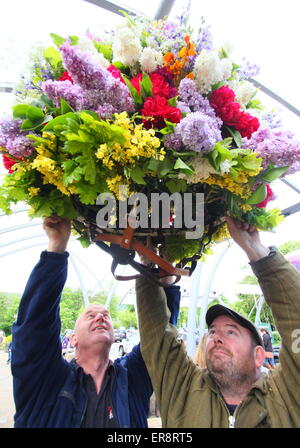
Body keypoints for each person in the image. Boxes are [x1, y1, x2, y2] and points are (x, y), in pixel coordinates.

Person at [10, 216, 180, 428]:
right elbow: (33, 328)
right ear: (73, 339)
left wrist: (166, 277)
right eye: (90, 315)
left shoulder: (132, 378)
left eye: (106, 316)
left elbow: (160, 338)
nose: (101, 316)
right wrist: (56, 249)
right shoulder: (46, 379)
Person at [135, 216, 300, 427]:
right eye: (212, 331)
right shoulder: (184, 388)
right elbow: (156, 336)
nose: (216, 337)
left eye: (231, 332)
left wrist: (256, 251)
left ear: (259, 355)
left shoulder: (286, 394)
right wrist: (148, 262)